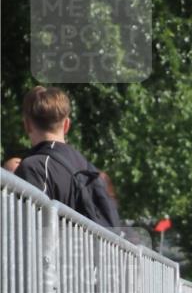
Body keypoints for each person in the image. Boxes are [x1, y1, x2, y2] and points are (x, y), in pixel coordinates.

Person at [13, 86, 120, 229]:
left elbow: (29, 232)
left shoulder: (34, 167)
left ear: (27, 125)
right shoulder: (90, 170)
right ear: (66, 125)